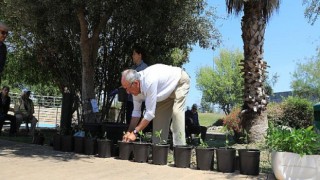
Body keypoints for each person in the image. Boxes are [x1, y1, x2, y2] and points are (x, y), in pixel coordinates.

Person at [121, 64, 190, 145]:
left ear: (135, 83)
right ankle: (159, 149)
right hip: (164, 91)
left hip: (179, 81)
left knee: (176, 113)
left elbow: (150, 113)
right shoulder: (134, 89)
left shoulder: (149, 81)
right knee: (159, 121)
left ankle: (180, 149)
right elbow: (136, 112)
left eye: (127, 88)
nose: (127, 92)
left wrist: (135, 132)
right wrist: (129, 131)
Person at [126, 45, 148, 124]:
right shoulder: (133, 68)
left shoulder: (145, 68)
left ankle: (136, 134)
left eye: (134, 54)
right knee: (129, 119)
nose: (132, 56)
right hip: (130, 99)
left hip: (139, 99)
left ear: (140, 55)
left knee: (136, 120)